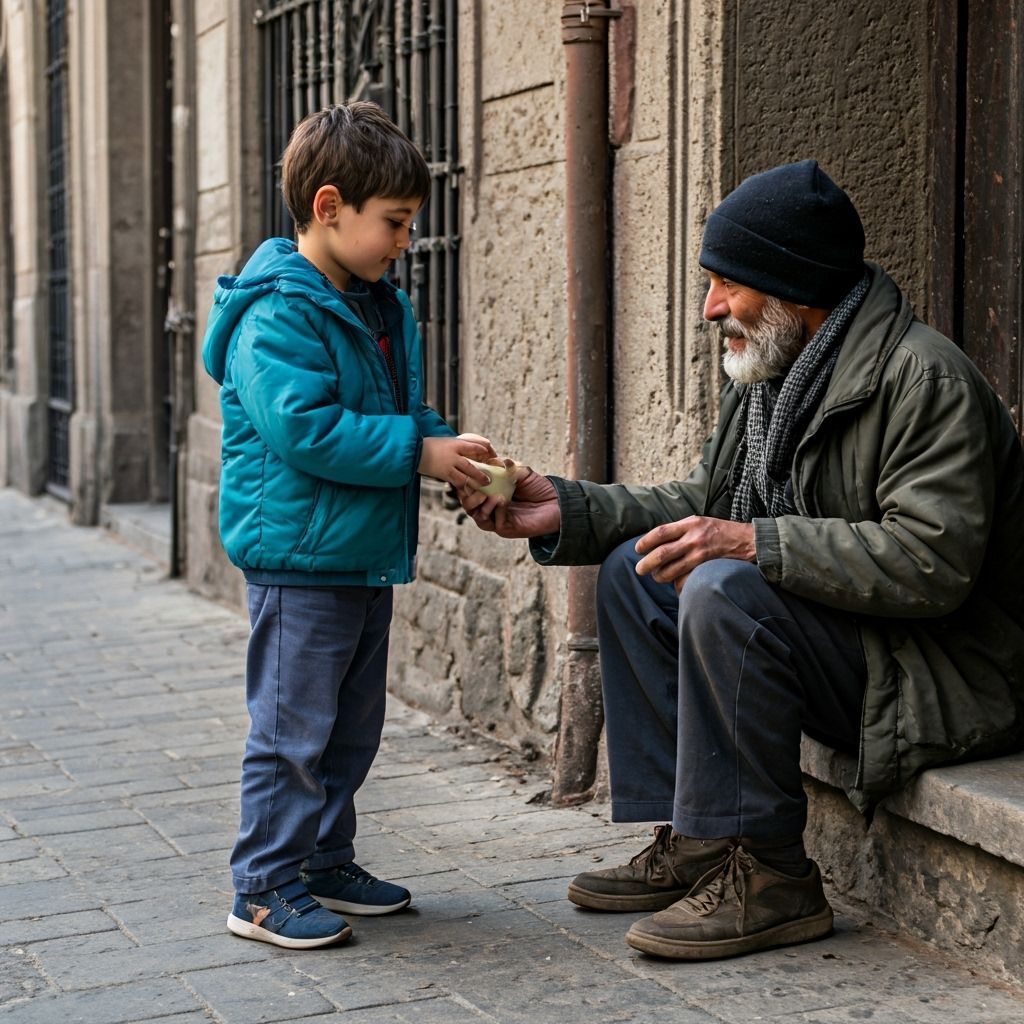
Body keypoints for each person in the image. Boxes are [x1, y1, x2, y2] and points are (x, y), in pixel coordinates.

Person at [460, 159, 1024, 961]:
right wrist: (570, 508)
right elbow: (704, 501)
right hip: (857, 643)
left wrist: (756, 542)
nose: (710, 307)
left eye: (729, 283)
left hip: (939, 670)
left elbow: (932, 561)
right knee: (638, 568)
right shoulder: (772, 377)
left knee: (726, 583)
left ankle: (774, 877)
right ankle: (699, 840)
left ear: (795, 285)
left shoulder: (923, 379)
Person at [202, 102, 495, 949]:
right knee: (292, 732)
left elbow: (394, 410)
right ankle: (261, 886)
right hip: (299, 558)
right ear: (329, 207)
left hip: (359, 553)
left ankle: (325, 860)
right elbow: (308, 431)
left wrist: (448, 447)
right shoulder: (275, 313)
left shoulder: (376, 302)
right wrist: (419, 452)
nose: (404, 241)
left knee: (349, 729)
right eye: (395, 223)